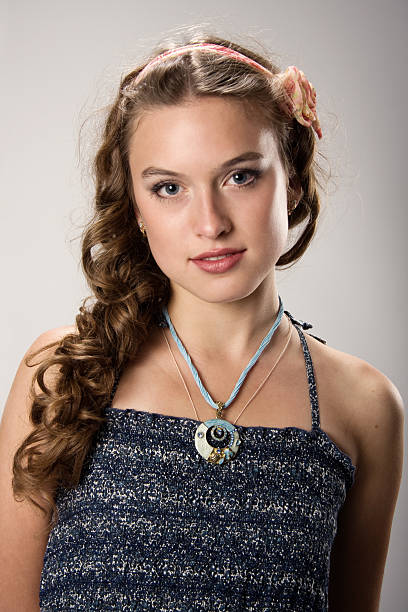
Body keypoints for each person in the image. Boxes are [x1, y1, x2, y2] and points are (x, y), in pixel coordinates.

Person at [0, 30, 404, 612]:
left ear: (289, 176)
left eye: (240, 176)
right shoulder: (61, 373)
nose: (209, 223)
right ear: (135, 208)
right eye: (169, 188)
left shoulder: (363, 406)